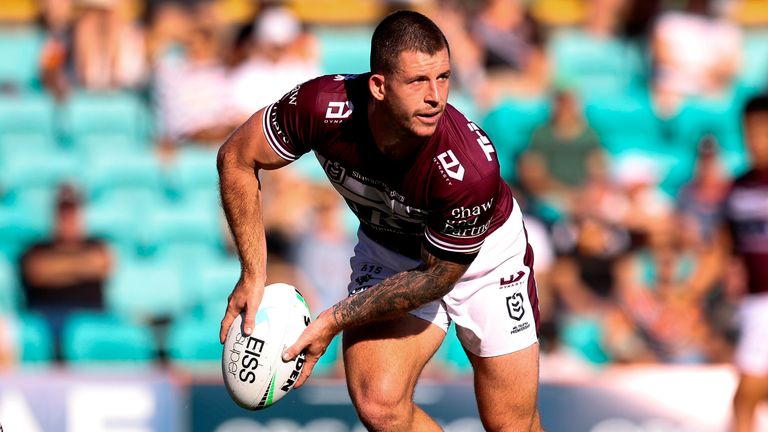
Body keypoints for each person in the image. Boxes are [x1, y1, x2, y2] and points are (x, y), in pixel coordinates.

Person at [217, 10, 543, 431]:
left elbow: (435, 279)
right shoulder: (321, 108)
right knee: (378, 405)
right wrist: (252, 273)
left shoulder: (468, 168)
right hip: (389, 249)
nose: (436, 97)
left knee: (509, 424)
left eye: (443, 78)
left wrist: (333, 320)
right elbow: (237, 157)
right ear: (378, 86)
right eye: (417, 82)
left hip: (483, 259)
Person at [717, 95, 768, 432]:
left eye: (762, 131)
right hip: (755, 304)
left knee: (747, 392)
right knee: (745, 398)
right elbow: (723, 249)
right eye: (749, 132)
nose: (754, 141)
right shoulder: (739, 186)